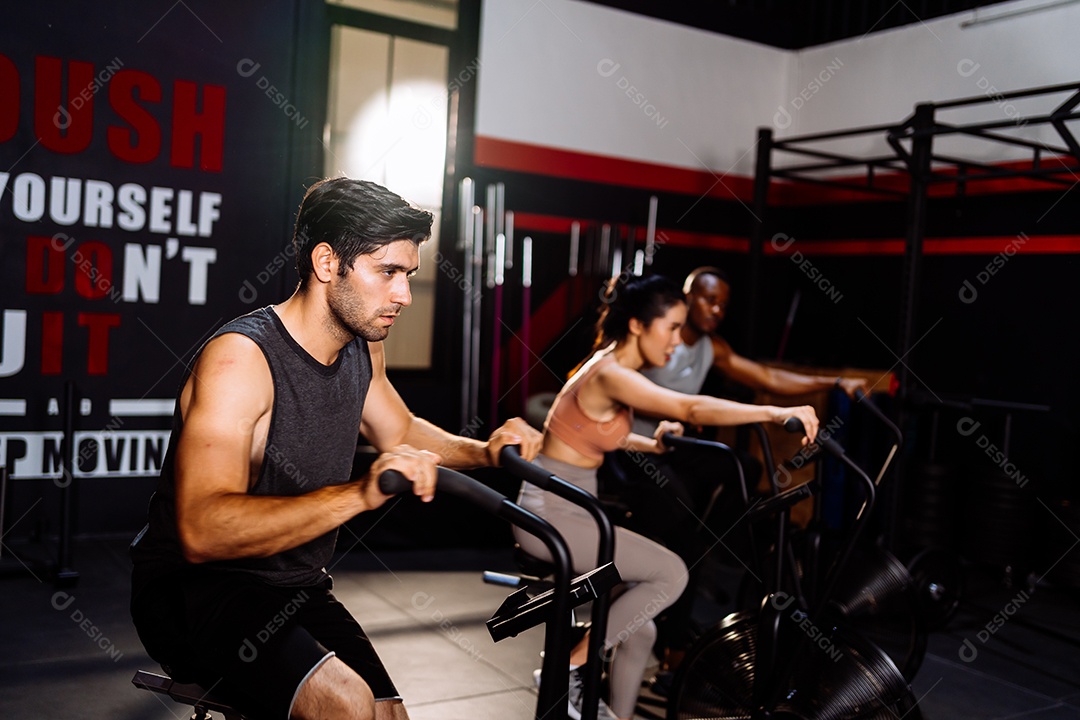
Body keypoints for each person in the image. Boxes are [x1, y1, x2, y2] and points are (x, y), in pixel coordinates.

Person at [129, 177, 542, 720]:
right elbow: (203, 531)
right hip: (197, 591)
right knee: (346, 705)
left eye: (409, 275)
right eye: (387, 272)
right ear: (328, 263)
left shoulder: (361, 349)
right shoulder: (241, 361)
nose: (404, 295)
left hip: (293, 586)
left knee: (388, 715)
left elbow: (400, 432)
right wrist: (361, 493)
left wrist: (487, 451)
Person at [513, 273, 818, 720]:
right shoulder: (612, 372)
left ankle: (613, 715)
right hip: (552, 516)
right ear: (638, 325)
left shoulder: (613, 368)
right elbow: (690, 407)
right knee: (671, 573)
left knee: (642, 632)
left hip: (571, 508)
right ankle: (568, 668)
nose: (678, 341)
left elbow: (589, 435)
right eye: (671, 328)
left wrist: (651, 445)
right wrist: (773, 411)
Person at [609, 265, 870, 676]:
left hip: (671, 447)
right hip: (632, 453)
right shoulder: (647, 342)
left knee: (743, 467)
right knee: (685, 548)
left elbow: (764, 376)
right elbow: (625, 394)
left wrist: (832, 381)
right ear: (684, 298)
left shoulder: (712, 347)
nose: (716, 310)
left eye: (723, 305)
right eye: (708, 300)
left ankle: (705, 537)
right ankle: (675, 645)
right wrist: (667, 407)